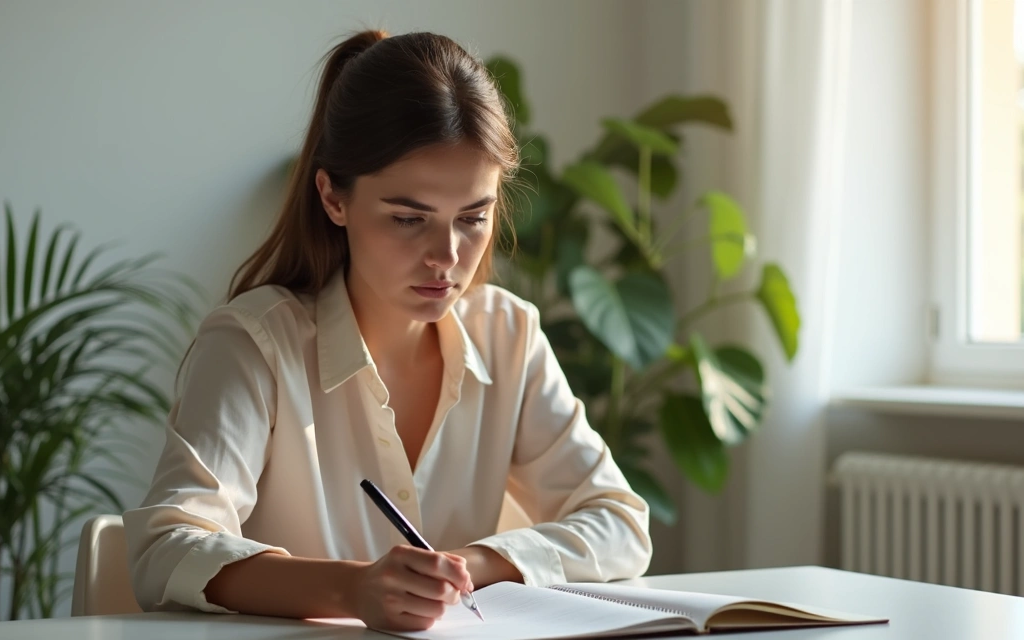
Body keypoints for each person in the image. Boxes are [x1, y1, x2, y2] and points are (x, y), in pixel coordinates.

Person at [123, 29, 652, 633]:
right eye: (408, 218)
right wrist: (353, 588)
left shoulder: (509, 334)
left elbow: (620, 523)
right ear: (333, 198)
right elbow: (165, 549)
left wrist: (469, 565)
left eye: (473, 218)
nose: (446, 256)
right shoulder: (253, 344)